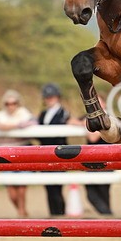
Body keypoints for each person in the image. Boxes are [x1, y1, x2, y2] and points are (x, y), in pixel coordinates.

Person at [0, 89, 34, 217]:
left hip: (22, 153)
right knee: (11, 191)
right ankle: (21, 210)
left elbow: (31, 122)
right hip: (5, 154)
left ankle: (21, 211)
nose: (11, 106)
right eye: (8, 103)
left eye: (13, 103)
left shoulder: (23, 113)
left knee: (21, 187)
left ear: (18, 103)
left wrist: (7, 127)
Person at [36, 83, 73, 217]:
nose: (49, 99)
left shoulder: (63, 112)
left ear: (57, 97)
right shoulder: (43, 114)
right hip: (45, 155)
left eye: (51, 96)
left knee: (57, 186)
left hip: (58, 153)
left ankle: (60, 214)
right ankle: (53, 214)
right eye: (47, 97)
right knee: (48, 187)